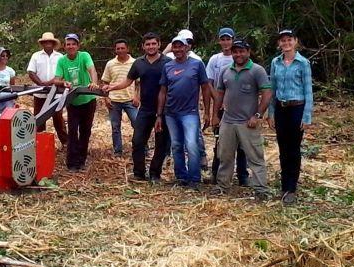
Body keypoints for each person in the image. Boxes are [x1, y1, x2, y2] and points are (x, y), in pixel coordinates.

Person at [103, 32, 171, 183]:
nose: (151, 46)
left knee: (161, 142)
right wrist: (112, 88)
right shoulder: (139, 63)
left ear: (159, 44)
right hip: (145, 109)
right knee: (138, 140)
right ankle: (139, 173)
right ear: (143, 46)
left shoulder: (167, 62)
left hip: (163, 110)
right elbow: (128, 81)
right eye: (148, 44)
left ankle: (155, 173)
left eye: (154, 44)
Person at [212, 39, 273, 200]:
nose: (238, 54)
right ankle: (223, 186)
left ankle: (261, 190)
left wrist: (258, 115)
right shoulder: (225, 70)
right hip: (228, 121)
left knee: (255, 157)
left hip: (248, 122)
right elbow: (219, 94)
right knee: (224, 156)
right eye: (235, 51)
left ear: (248, 52)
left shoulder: (257, 70)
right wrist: (215, 116)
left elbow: (267, 94)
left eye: (241, 51)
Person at [156, 35, 211, 189]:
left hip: (190, 112)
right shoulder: (168, 66)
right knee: (176, 145)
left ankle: (194, 178)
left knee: (192, 144)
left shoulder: (197, 64)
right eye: (175, 46)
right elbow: (163, 91)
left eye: (181, 46)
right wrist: (159, 115)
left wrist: (207, 111)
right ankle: (181, 176)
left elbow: (205, 88)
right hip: (171, 113)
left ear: (187, 48)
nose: (178, 49)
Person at [268, 29, 314, 205]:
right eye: (283, 41)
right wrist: (271, 113)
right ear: (279, 44)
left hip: (297, 108)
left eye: (289, 40)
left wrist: (306, 116)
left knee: (294, 149)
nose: (286, 43)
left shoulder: (303, 63)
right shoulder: (276, 62)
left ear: (295, 41)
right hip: (281, 108)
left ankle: (291, 187)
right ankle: (283, 185)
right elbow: (272, 89)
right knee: (283, 147)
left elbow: (308, 90)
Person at [207, 27, 249, 186]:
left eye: (228, 39)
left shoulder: (239, 58)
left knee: (242, 143)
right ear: (219, 41)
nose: (225, 42)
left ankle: (242, 175)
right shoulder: (215, 60)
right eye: (222, 39)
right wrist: (218, 100)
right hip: (220, 107)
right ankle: (216, 174)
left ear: (232, 40)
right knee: (220, 142)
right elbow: (209, 83)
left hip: (239, 107)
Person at [54, 33, 99, 172]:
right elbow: (56, 80)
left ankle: (82, 160)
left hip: (88, 100)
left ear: (78, 46)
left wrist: (94, 83)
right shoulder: (62, 61)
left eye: (73, 44)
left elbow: (92, 69)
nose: (71, 46)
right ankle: (72, 162)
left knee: (85, 131)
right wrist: (63, 82)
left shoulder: (84, 56)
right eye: (68, 44)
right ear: (65, 46)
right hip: (73, 101)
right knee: (73, 131)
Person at [27, 32, 68, 148]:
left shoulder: (60, 57)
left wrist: (50, 82)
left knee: (58, 119)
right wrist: (40, 84)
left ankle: (66, 143)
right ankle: (40, 143)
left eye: (50, 41)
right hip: (40, 93)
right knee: (39, 118)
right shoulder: (36, 56)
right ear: (42, 43)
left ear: (53, 43)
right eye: (45, 42)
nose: (47, 44)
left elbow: (63, 73)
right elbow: (31, 72)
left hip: (56, 93)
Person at [101, 39, 138, 156]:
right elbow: (105, 82)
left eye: (123, 48)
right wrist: (106, 98)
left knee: (137, 124)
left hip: (130, 99)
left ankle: (142, 148)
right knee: (115, 127)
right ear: (115, 50)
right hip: (114, 100)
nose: (120, 50)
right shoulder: (110, 64)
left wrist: (137, 97)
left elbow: (139, 82)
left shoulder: (135, 63)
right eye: (118, 48)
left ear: (127, 49)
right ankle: (118, 151)